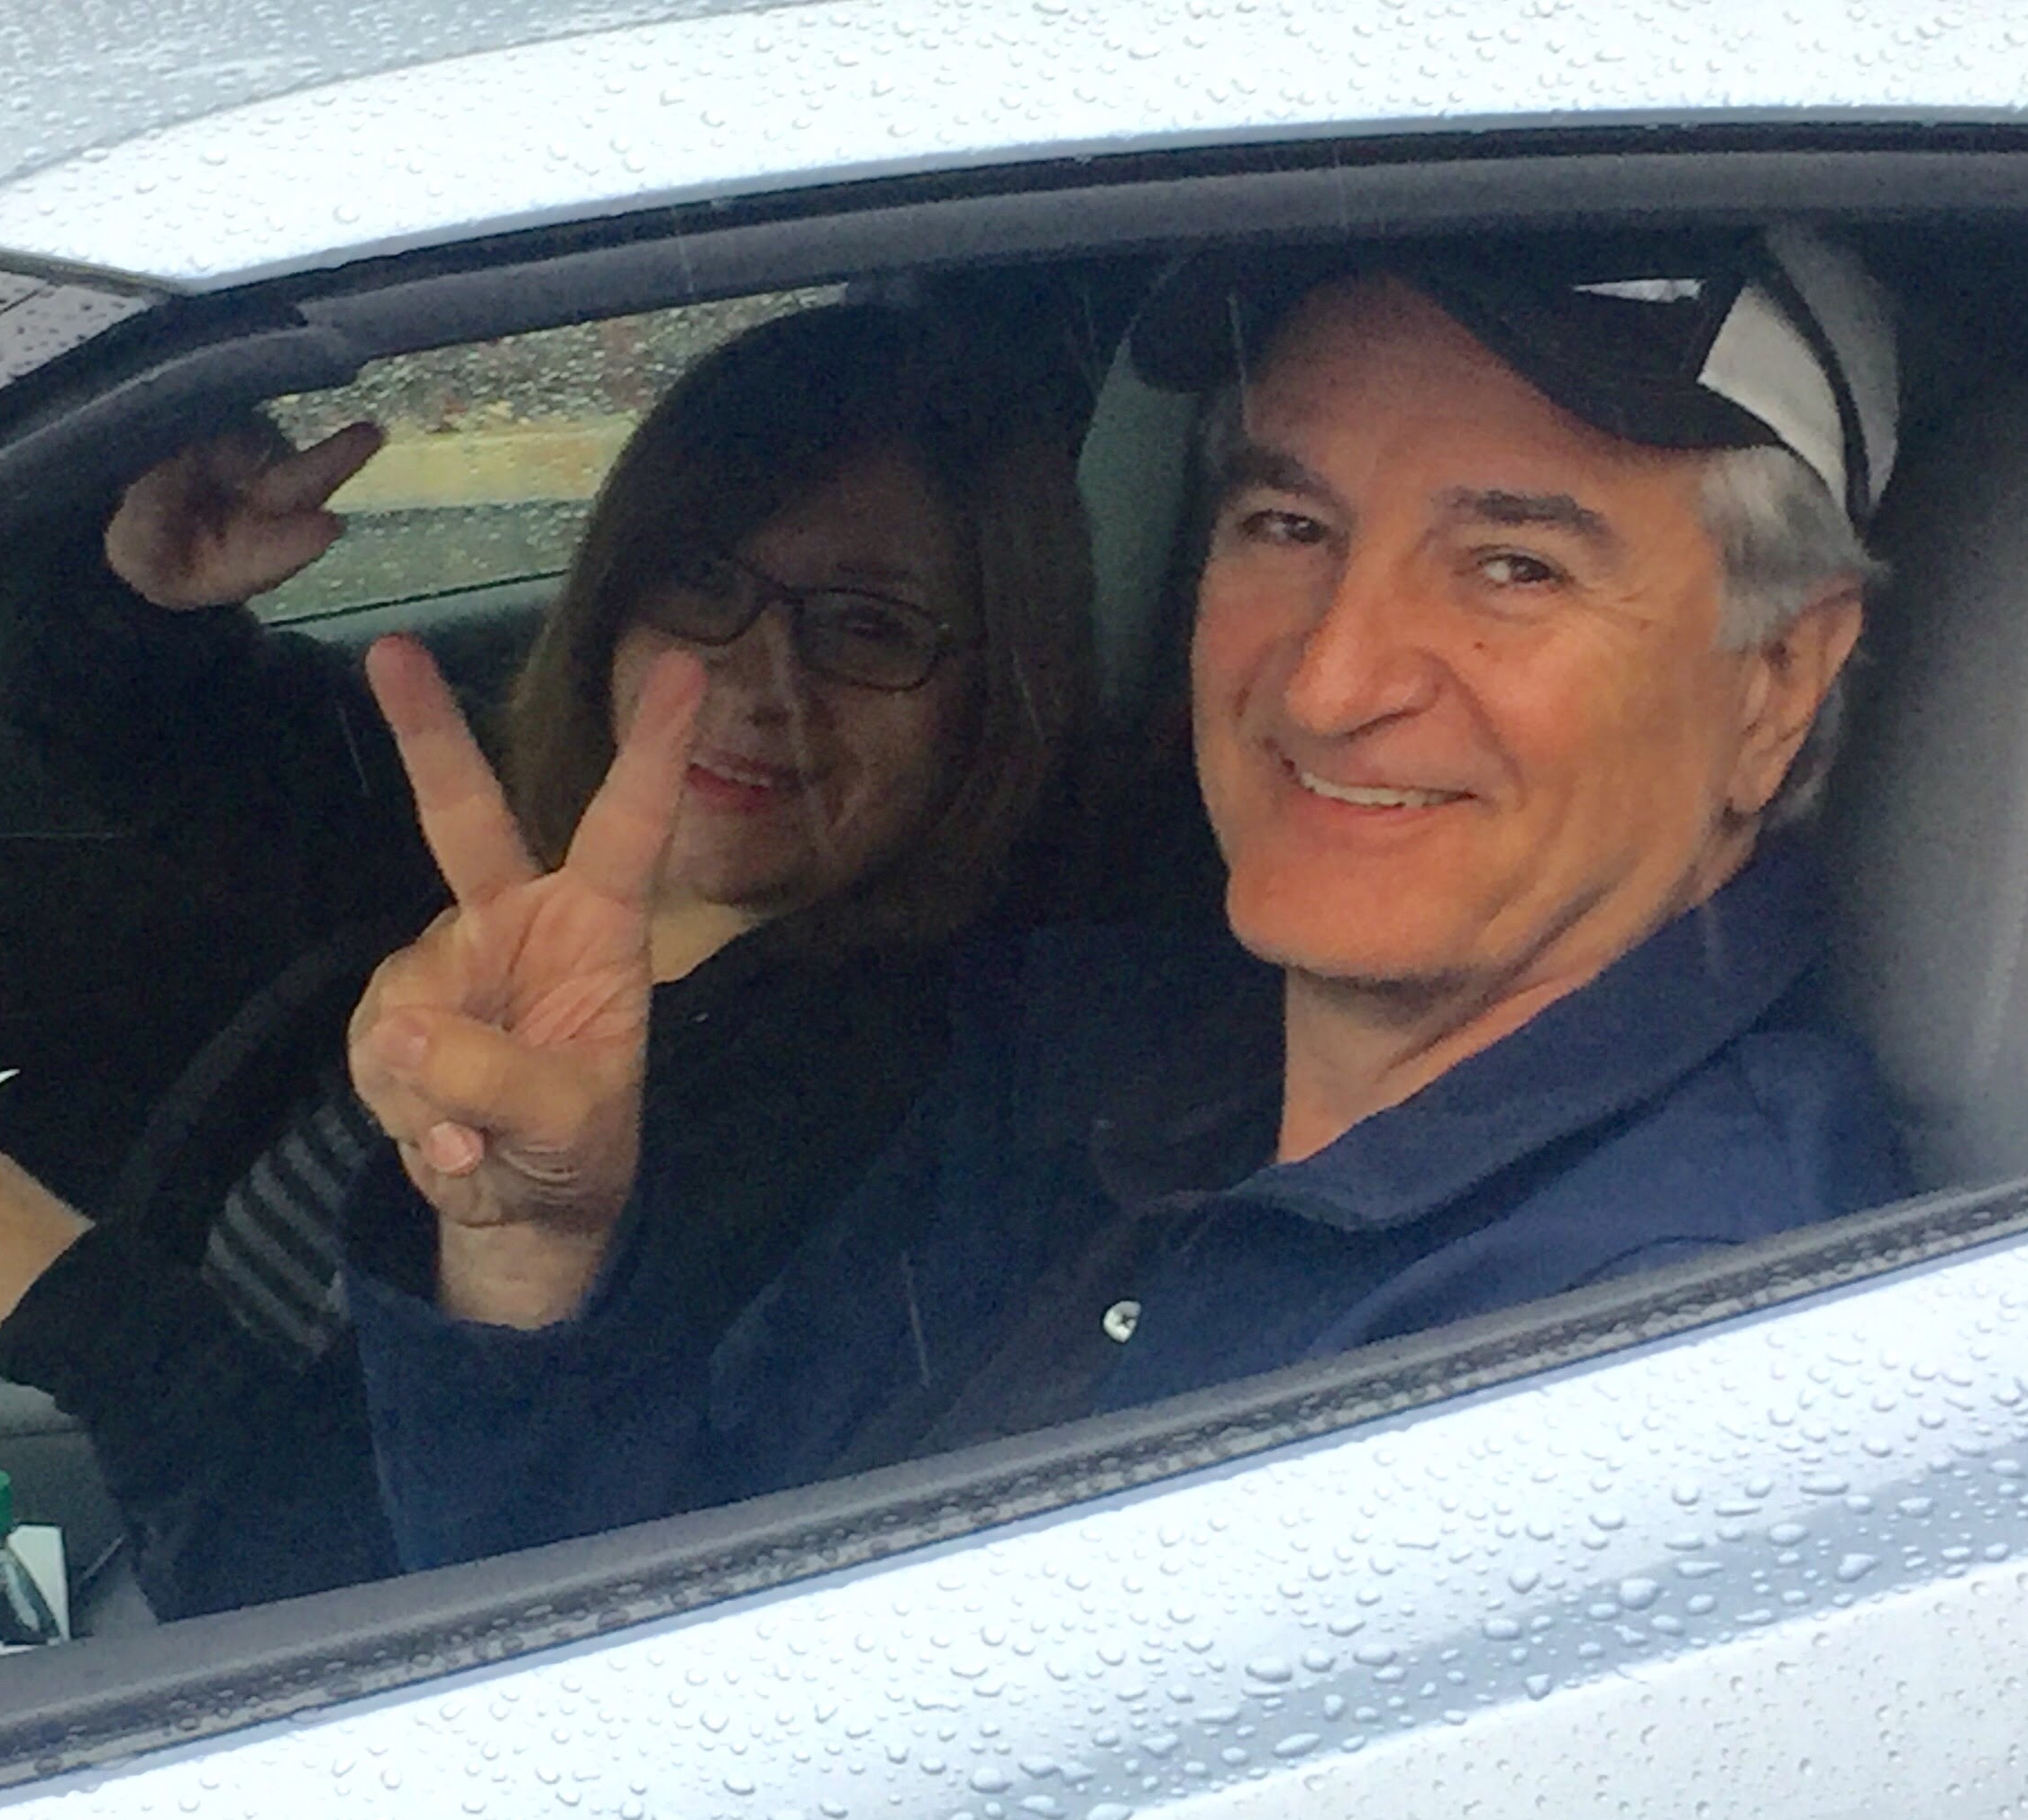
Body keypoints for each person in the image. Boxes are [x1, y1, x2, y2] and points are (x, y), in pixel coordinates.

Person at [338, 228, 1912, 1572]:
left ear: (1778, 681)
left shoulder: (1663, 1347)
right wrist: (534, 1255)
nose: (1330, 681)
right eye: (1289, 527)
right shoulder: (1090, 1050)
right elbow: (621, 1633)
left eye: (1514, 566)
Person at [0, 301, 1094, 1614]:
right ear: (617, 596)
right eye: (703, 581)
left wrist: (86, 1314)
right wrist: (139, 592)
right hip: (144, 1529)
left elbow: (386, 1604)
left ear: (991, 692)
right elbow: (126, 724)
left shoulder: (901, 1124)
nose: (758, 677)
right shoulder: (490, 843)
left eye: (871, 628)